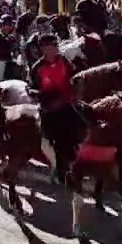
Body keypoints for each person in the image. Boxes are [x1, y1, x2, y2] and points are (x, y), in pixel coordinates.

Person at [30, 32, 79, 182]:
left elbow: (74, 77)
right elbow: (32, 88)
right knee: (52, 140)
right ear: (43, 49)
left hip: (67, 104)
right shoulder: (37, 68)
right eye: (49, 47)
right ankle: (58, 168)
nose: (53, 50)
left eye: (54, 46)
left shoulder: (64, 61)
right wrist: (43, 96)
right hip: (49, 109)